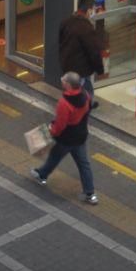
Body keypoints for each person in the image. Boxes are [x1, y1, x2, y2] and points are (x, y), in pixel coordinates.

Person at [30, 71, 98, 205]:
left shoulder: (64, 103)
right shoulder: (85, 95)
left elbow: (60, 124)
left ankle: (42, 175)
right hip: (80, 135)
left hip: (66, 138)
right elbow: (87, 110)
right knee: (84, 164)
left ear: (68, 85)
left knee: (54, 157)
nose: (61, 80)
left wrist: (51, 131)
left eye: (63, 80)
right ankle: (90, 194)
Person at [57, 0, 106, 96]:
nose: (93, 13)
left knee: (77, 90)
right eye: (93, 10)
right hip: (81, 70)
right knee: (84, 93)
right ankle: (84, 108)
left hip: (67, 66)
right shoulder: (86, 28)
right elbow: (94, 52)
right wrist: (100, 69)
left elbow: (60, 41)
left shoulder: (66, 22)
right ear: (88, 11)